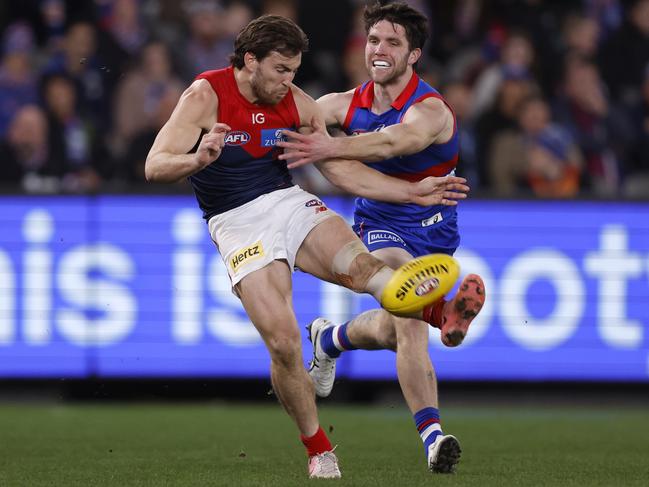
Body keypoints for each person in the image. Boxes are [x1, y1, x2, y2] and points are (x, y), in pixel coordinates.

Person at [144, 14, 470, 479]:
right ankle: (318, 447)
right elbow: (155, 165)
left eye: (294, 71)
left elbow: (335, 168)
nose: (289, 82)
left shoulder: (297, 103)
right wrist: (197, 158)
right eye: (281, 70)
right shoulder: (205, 96)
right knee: (282, 341)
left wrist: (410, 192)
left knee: (362, 268)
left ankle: (439, 313)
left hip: (288, 201)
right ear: (250, 61)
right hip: (237, 223)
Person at [277, 2, 486, 474]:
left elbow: (395, 142)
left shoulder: (430, 109)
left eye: (392, 42)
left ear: (413, 55)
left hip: (435, 229)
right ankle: (434, 439)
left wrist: (330, 146)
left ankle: (329, 339)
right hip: (380, 224)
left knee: (393, 326)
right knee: (407, 309)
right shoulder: (340, 103)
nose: (379, 49)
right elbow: (295, 112)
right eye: (374, 40)